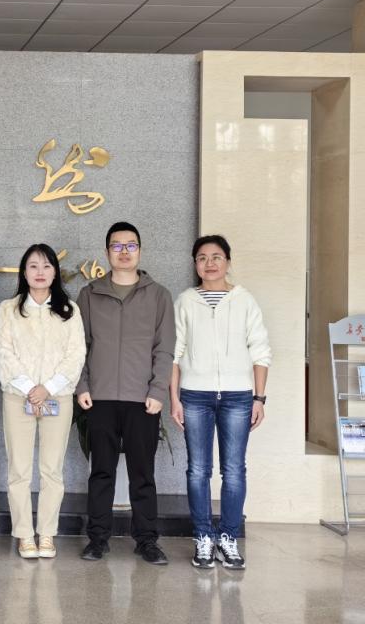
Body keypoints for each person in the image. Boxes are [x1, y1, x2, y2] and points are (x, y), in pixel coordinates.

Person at [76, 221, 175, 565]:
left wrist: (158, 390)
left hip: (142, 399)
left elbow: (165, 349)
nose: (124, 252)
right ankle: (97, 539)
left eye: (130, 245)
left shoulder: (159, 295)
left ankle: (147, 540)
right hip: (99, 397)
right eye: (116, 246)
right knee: (101, 472)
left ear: (140, 251)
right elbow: (79, 346)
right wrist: (82, 386)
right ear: (107, 252)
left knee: (142, 474)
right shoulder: (90, 294)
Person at [171, 235, 270, 571]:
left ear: (228, 261)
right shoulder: (185, 301)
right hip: (194, 395)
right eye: (202, 257)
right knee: (198, 470)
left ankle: (228, 537)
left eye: (216, 257)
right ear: (195, 264)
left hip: (238, 396)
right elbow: (174, 354)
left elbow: (260, 351)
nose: (209, 263)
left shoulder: (244, 301)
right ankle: (203, 536)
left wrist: (259, 398)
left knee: (234, 470)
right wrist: (174, 399)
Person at [0, 243, 85, 560]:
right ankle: (23, 534)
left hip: (57, 397)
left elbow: (76, 355)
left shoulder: (69, 310)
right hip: (17, 397)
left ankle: (46, 533)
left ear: (55, 273)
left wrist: (47, 388)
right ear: (24, 272)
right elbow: (3, 352)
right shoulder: (9, 309)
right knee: (19, 469)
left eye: (47, 266)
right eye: (33, 266)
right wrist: (29, 388)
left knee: (52, 470)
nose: (40, 272)